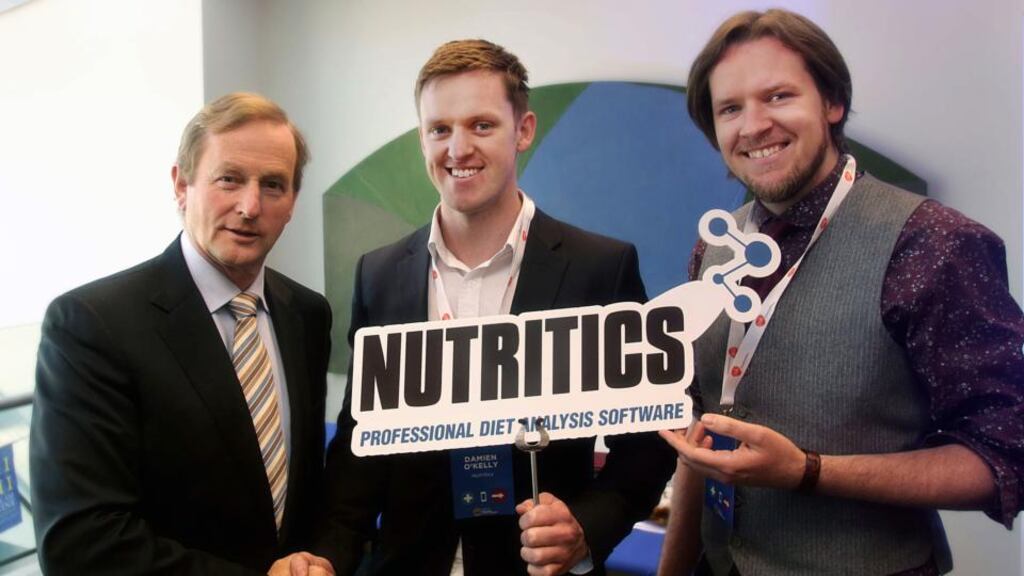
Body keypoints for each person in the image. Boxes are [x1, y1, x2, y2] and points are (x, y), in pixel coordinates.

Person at [657, 9, 1024, 576]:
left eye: (777, 96)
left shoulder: (935, 242)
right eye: (730, 108)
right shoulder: (716, 248)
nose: (752, 126)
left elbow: (1001, 457)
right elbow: (701, 431)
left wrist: (808, 470)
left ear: (832, 104)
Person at [315, 39, 675, 576]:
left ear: (524, 130)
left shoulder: (600, 266)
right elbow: (359, 442)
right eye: (440, 129)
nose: (458, 149)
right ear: (423, 139)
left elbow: (649, 442)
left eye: (481, 125)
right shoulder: (380, 273)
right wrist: (329, 555)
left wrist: (586, 525)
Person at [31, 93, 335, 576]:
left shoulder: (307, 314)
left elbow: (307, 493)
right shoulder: (92, 324)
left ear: (293, 202)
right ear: (182, 183)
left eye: (273, 185)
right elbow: (81, 542)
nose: (250, 206)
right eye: (229, 179)